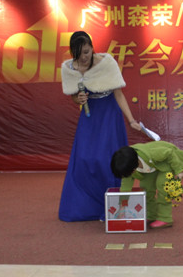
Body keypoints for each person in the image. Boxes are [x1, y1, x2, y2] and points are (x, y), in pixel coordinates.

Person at [59, 31, 142, 222]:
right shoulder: (69, 68)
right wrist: (78, 99)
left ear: (92, 47)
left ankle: (112, 207)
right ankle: (83, 207)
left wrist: (131, 120)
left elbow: (118, 94)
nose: (83, 57)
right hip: (89, 116)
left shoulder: (107, 63)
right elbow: (73, 96)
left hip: (110, 115)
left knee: (107, 159)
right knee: (83, 158)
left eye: (86, 52)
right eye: (79, 54)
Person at [110, 141, 183, 229]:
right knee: (146, 189)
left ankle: (165, 218)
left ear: (133, 167)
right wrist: (122, 207)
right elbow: (125, 188)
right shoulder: (127, 165)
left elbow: (169, 153)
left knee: (163, 187)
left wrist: (178, 171)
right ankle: (152, 215)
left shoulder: (153, 154)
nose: (128, 175)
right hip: (151, 168)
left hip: (166, 163)